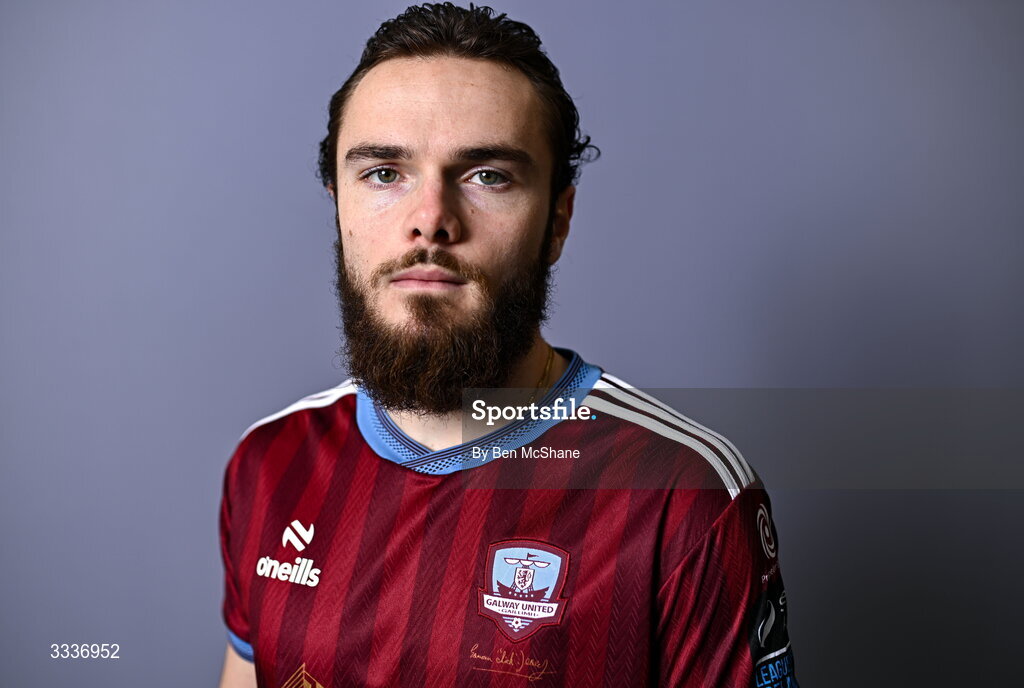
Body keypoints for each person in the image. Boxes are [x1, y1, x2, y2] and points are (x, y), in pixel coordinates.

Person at [217, 3, 799, 687]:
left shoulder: (685, 497)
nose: (429, 220)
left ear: (558, 221)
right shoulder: (269, 464)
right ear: (338, 205)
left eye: (487, 175)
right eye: (383, 173)